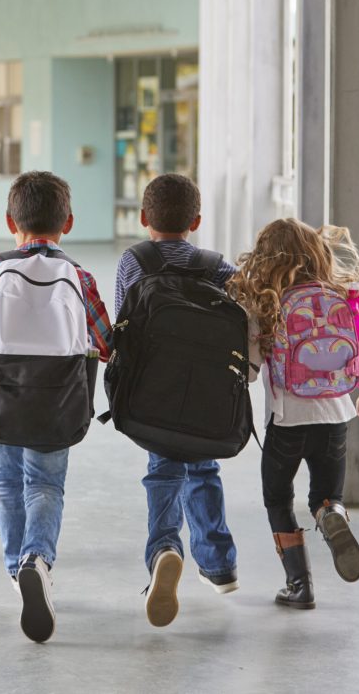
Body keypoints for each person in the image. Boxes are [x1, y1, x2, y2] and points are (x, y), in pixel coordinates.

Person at [0, 171, 113, 643]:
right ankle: (37, 558)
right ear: (68, 223)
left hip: (1, 394)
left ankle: (17, 569)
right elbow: (105, 343)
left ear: (9, 221)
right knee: (45, 484)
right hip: (57, 399)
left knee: (5, 482)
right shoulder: (79, 275)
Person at [227, 217, 359, 609]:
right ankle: (332, 514)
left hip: (287, 421)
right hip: (336, 417)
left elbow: (250, 370)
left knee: (278, 498)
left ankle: (300, 586)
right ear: (317, 254)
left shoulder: (268, 303)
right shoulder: (342, 296)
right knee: (326, 493)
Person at [112, 173, 241, 628]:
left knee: (163, 468)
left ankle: (165, 548)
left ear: (144, 218)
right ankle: (220, 566)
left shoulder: (134, 261)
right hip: (206, 394)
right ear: (196, 221)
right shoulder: (218, 267)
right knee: (203, 467)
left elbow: (122, 325)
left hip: (154, 391)